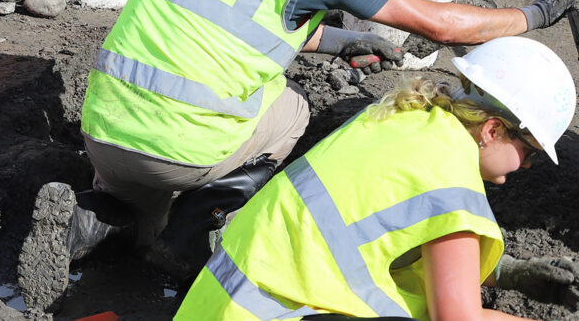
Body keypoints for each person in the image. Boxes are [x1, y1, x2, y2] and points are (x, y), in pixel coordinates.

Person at [18, 0, 579, 312]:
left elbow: (236, 21)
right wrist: (536, 12)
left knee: (145, 192)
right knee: (289, 110)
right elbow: (440, 25)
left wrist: (337, 42)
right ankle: (199, 225)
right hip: (178, 151)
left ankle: (102, 217)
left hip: (105, 129)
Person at [176, 36, 579, 320]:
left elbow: (376, 239)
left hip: (220, 303)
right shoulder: (450, 180)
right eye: (529, 152)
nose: (526, 166)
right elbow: (458, 317)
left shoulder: (403, 116)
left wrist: (507, 273)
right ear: (492, 130)